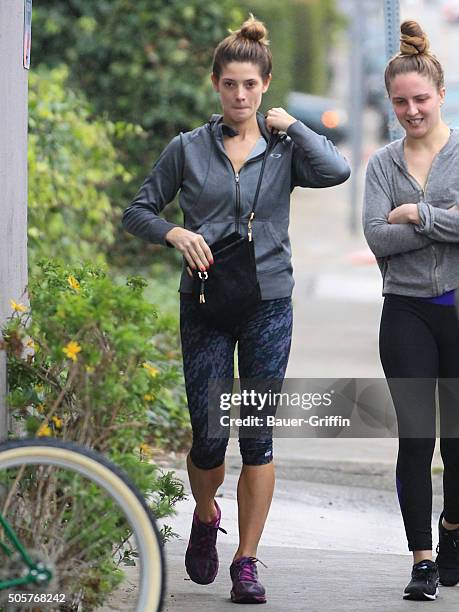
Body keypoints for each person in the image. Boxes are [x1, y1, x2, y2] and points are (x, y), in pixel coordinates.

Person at [123, 14, 350, 604]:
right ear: (216, 84)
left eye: (251, 85)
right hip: (203, 303)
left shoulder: (284, 149)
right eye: (230, 85)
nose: (241, 95)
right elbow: (138, 210)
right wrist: (174, 234)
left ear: (266, 84)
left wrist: (295, 127)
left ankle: (246, 562)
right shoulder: (188, 148)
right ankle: (205, 514)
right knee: (207, 436)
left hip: (269, 301)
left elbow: (337, 169)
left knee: (257, 436)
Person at [363, 20, 459, 602]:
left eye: (420, 99)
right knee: (417, 437)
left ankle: (453, 529)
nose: (411, 110)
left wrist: (416, 215)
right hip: (404, 312)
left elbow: (399, 225)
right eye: (400, 102)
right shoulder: (381, 164)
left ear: (441, 95)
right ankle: (421, 558)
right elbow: (375, 236)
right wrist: (444, 220)